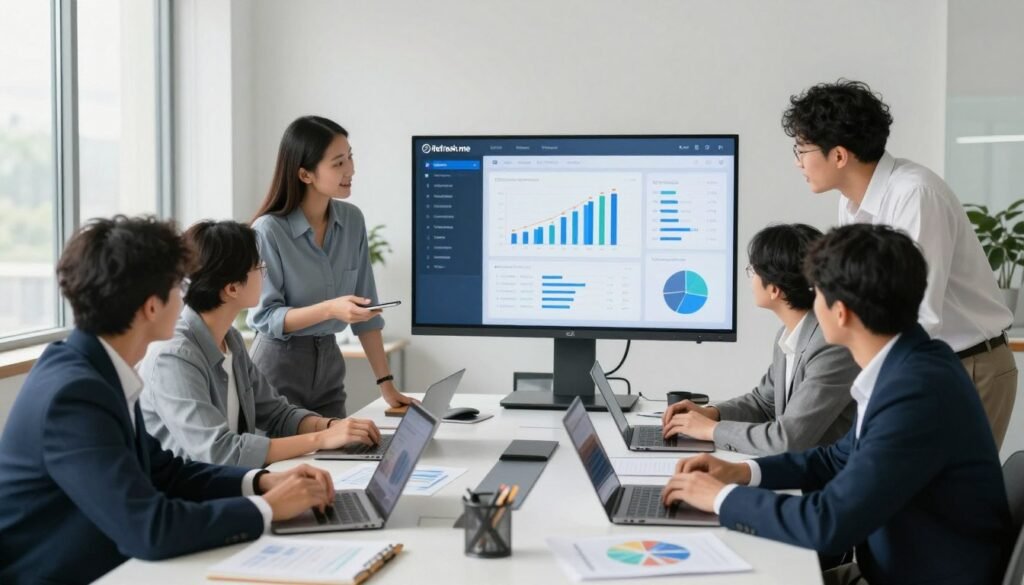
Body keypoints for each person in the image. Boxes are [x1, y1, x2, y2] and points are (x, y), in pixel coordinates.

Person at [661, 224, 1011, 585]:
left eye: (817, 295)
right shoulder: (910, 363)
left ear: (840, 312)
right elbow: (836, 457)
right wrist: (742, 472)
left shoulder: (915, 391)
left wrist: (722, 498)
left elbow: (828, 523)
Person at [0, 216, 338, 585]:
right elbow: (150, 530)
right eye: (178, 285)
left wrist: (260, 483)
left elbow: (167, 472)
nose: (187, 293)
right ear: (150, 307)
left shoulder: (96, 371)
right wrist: (266, 509)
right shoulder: (75, 395)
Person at [783, 79, 1017, 448]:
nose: (798, 162)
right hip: (919, 363)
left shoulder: (915, 194)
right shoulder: (851, 201)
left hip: (968, 365)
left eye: (802, 149)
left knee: (947, 501)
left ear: (839, 155)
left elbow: (918, 315)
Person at [140, 220, 382, 467]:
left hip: (227, 487)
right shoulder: (174, 357)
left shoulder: (230, 339)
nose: (265, 275)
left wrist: (334, 426)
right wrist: (322, 438)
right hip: (190, 499)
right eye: (260, 267)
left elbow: (278, 414)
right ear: (232, 288)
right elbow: (221, 452)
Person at [248, 115, 413, 417]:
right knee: (287, 462)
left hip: (329, 366)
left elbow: (368, 313)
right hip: (276, 368)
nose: (351, 169)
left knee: (340, 456)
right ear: (305, 174)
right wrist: (331, 309)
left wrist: (386, 385)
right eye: (338, 163)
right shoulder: (269, 230)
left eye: (350, 157)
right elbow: (266, 316)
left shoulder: (352, 221)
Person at [661, 224, 858, 455]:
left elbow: (787, 440)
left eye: (753, 271)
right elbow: (764, 403)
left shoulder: (830, 346)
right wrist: (712, 413)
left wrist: (712, 430)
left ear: (774, 290)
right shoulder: (789, 336)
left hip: (824, 482)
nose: (750, 278)